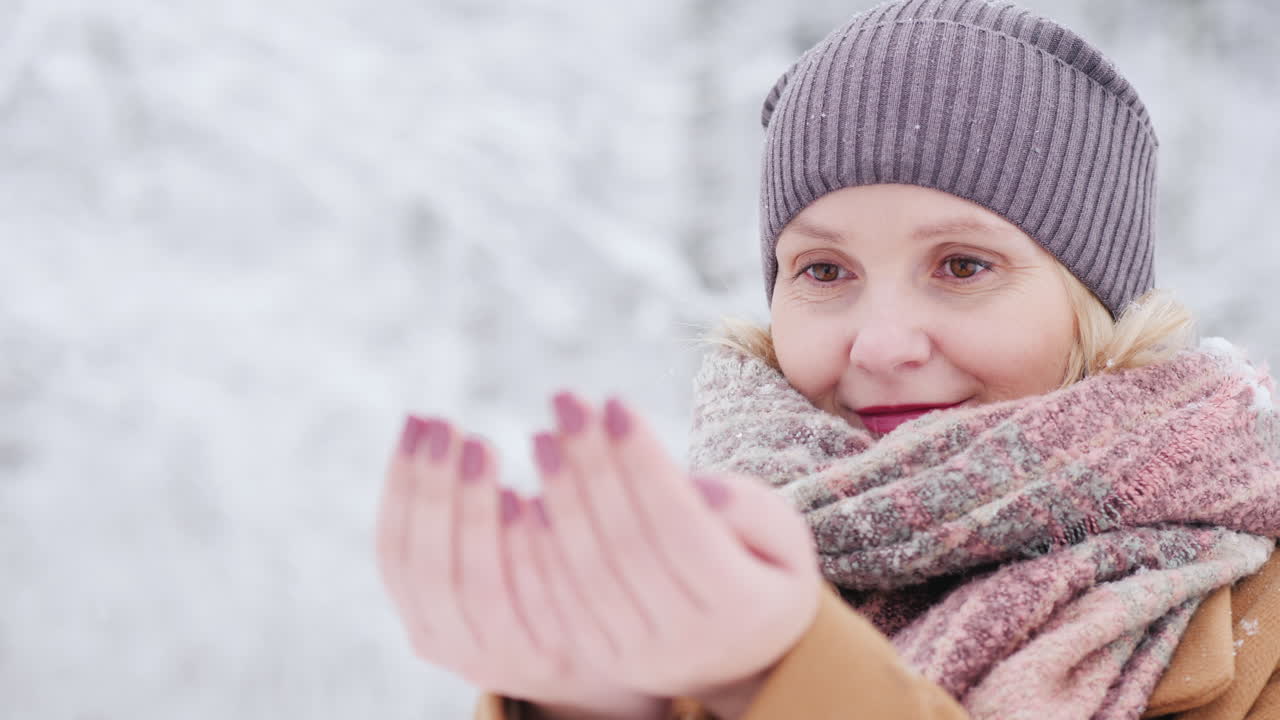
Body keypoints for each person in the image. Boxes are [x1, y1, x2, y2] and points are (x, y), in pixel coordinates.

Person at [374, 0, 1280, 718]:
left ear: (1096, 303)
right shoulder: (702, 582)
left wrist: (780, 674)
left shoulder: (1256, 624)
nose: (881, 344)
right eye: (824, 270)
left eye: (962, 266)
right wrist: (591, 704)